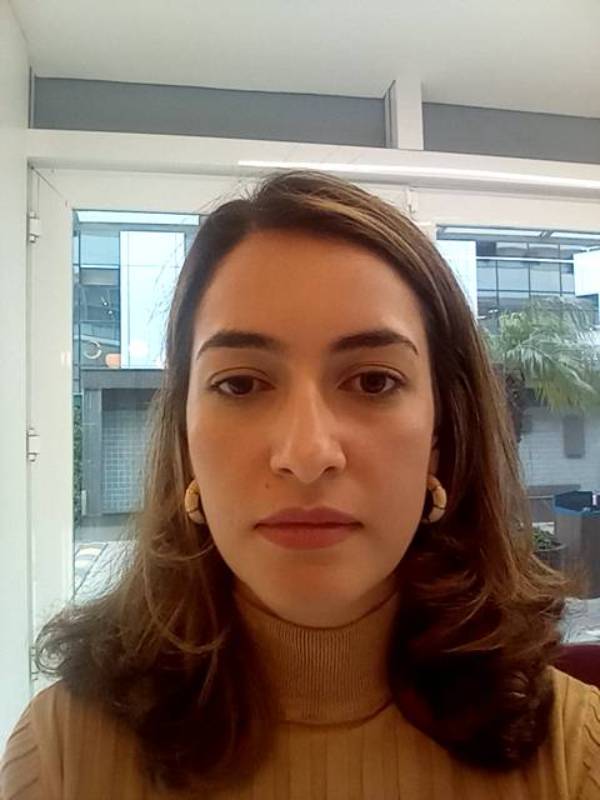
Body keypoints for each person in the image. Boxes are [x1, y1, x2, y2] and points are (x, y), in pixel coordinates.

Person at [1, 171, 599, 799]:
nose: (307, 456)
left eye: (373, 381)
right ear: (184, 437)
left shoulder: (575, 755)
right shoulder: (63, 756)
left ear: (440, 436)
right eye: (239, 384)